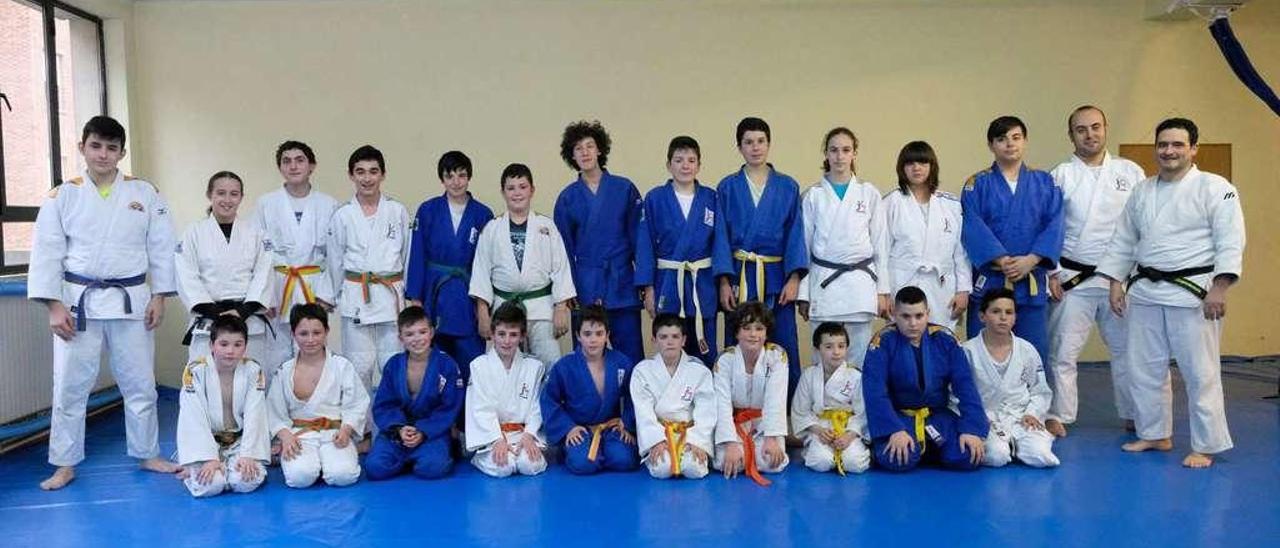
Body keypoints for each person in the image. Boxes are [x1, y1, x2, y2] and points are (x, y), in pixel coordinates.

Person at [28, 115, 181, 490]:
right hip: (77, 304)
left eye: (112, 148)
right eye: (96, 145)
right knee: (69, 386)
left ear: (122, 153)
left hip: (132, 302)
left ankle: (147, 453)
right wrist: (53, 305)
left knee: (140, 382)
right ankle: (64, 463)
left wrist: (160, 296)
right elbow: (47, 252)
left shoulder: (145, 193)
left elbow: (162, 248)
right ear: (82, 147)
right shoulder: (63, 195)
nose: (103, 154)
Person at [1098, 117, 1244, 469]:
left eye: (1178, 144)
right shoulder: (1143, 190)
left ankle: (1207, 444)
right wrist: (1115, 282)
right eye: (1163, 144)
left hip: (1193, 294)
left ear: (1194, 148)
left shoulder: (1215, 187)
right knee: (1144, 368)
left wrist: (1220, 287)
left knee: (1200, 371)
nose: (1169, 151)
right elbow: (1124, 239)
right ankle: (1154, 433)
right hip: (1146, 290)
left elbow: (1230, 239)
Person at [1044, 105, 1145, 437]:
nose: (1090, 134)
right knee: (1063, 351)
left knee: (1127, 351)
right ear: (1070, 135)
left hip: (1119, 278)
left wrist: (1133, 274)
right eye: (1081, 129)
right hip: (1072, 277)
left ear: (1106, 128)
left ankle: (1134, 412)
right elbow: (1048, 227)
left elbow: (1141, 225)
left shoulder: (1131, 172)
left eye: (1095, 127)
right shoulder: (1060, 175)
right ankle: (1059, 413)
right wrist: (1052, 272)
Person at [713, 117, 808, 392]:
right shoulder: (727, 187)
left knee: (783, 342)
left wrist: (794, 278)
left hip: (777, 276)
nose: (755, 148)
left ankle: (787, 415)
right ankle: (735, 413)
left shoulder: (787, 186)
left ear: (769, 144)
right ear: (739, 147)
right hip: (740, 275)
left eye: (761, 141)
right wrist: (723, 281)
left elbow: (795, 234)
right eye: (748, 142)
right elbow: (720, 236)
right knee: (738, 340)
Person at [962, 116, 1064, 364]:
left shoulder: (1045, 182)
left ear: (1025, 141)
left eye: (1016, 137)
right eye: (1001, 139)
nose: (1010, 144)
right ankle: (981, 403)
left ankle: (1033, 403)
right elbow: (972, 226)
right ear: (991, 145)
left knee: (1033, 352)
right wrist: (1001, 259)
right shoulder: (977, 184)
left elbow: (1056, 224)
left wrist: (1031, 259)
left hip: (1030, 280)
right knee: (982, 353)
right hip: (991, 280)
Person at [863, 286, 988, 471]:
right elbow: (874, 392)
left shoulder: (945, 340)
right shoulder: (883, 342)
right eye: (905, 316)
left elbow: (965, 386)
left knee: (968, 456)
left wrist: (971, 428)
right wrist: (893, 429)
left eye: (919, 316)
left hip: (937, 416)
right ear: (894, 314)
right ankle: (922, 447)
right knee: (898, 459)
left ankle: (929, 446)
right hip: (900, 417)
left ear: (927, 314)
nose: (913, 323)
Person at [554, 121, 645, 364]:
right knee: (588, 355)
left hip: (622, 282)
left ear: (600, 150)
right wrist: (567, 291)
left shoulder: (624, 188)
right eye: (578, 148)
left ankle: (633, 403)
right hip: (586, 284)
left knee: (630, 355)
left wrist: (646, 282)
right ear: (571, 156)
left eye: (589, 146)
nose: (584, 152)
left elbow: (640, 240)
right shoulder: (567, 198)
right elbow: (562, 251)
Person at [470, 163, 576, 369]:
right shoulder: (492, 228)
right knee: (500, 367)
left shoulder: (547, 227)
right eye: (511, 188)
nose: (517, 193)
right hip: (503, 309)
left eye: (522, 187)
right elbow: (481, 272)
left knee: (549, 366)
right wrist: (483, 314)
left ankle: (547, 402)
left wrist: (561, 308)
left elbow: (560, 267)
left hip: (542, 309)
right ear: (503, 192)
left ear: (532, 190)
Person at [797, 127, 888, 368]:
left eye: (846, 150)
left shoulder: (869, 194)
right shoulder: (813, 196)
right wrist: (803, 293)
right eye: (833, 150)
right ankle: (825, 405)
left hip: (859, 283)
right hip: (824, 283)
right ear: (825, 154)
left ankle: (857, 405)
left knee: (859, 356)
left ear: (854, 154)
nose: (839, 156)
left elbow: (881, 245)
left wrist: (883, 291)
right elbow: (803, 248)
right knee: (823, 356)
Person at [327, 145, 411, 393]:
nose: (367, 178)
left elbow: (407, 256)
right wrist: (335, 295)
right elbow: (335, 261)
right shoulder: (342, 215)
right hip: (356, 296)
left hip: (390, 296)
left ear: (383, 175)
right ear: (351, 175)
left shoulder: (397, 211)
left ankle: (392, 424)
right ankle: (359, 427)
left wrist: (406, 292)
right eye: (360, 171)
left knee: (393, 363)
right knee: (358, 365)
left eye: (373, 171)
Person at [253, 141, 340, 379]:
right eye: (286, 161)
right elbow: (258, 253)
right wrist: (264, 296)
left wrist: (327, 295)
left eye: (300, 160)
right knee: (276, 354)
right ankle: (278, 412)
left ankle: (312, 410)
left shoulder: (329, 204)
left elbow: (335, 255)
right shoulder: (265, 204)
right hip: (278, 284)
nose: (293, 166)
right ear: (280, 167)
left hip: (313, 284)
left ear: (311, 166)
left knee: (313, 347)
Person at [405, 151, 494, 374]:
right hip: (435, 295)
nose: (456, 182)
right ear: (442, 179)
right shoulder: (427, 210)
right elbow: (417, 255)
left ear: (469, 177)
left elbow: (488, 265)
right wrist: (416, 299)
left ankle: (470, 410)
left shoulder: (483, 214)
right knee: (435, 365)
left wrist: (484, 308)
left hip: (468, 295)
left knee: (472, 365)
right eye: (450, 176)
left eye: (462, 175)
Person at [635, 135, 721, 364]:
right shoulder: (654, 198)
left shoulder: (711, 198)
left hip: (701, 281)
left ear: (699, 165)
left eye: (691, 160)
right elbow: (644, 245)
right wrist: (648, 289)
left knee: (704, 349)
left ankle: (704, 397)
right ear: (668, 165)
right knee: (670, 347)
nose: (685, 166)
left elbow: (720, 243)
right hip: (668, 281)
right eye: (679, 160)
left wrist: (722, 281)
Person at [175, 171, 273, 366]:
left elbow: (264, 274)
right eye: (221, 193)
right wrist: (215, 312)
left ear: (241, 197)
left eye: (234, 194)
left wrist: (243, 311)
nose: (227, 200)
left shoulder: (256, 234)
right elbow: (186, 276)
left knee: (251, 381)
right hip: (209, 320)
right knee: (203, 379)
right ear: (209, 195)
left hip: (248, 321)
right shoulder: (193, 233)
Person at [267, 304, 368, 488]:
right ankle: (315, 464)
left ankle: (328, 462)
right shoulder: (284, 371)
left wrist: (346, 430)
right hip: (299, 435)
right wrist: (285, 437)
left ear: (327, 332)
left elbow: (357, 403)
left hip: (335, 433)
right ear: (293, 334)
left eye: (317, 332)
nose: (310, 339)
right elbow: (274, 411)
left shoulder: (341, 366)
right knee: (299, 478)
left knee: (343, 476)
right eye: (303, 334)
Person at [174, 316, 270, 497]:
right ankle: (197, 465)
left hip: (240, 441)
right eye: (223, 344)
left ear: (245, 346)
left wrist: (248, 454)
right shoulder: (195, 371)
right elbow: (193, 417)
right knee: (212, 486)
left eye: (237, 344)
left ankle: (228, 466)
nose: (230, 351)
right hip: (206, 441)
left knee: (244, 481)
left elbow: (255, 413)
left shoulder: (253, 370)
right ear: (211, 345)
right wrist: (209, 457)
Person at [962, 289, 1059, 468]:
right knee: (997, 456)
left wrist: (1032, 413)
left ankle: (1017, 445)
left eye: (1009, 312)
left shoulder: (1027, 350)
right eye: (996, 311)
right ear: (982, 316)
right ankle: (1007, 447)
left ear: (1015, 317)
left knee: (1042, 457)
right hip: (986, 419)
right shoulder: (967, 351)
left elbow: (1040, 390)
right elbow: (956, 395)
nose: (1003, 318)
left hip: (1021, 417)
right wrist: (975, 418)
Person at [365, 306, 464, 480]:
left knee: (433, 468)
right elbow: (383, 405)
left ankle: (425, 455)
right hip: (398, 433)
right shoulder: (394, 365)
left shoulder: (446, 365)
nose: (417, 339)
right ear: (400, 338)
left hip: (431, 432)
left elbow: (450, 407)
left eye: (422, 332)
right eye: (410, 334)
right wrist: (400, 429)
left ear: (432, 333)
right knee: (374, 467)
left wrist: (423, 431)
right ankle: (408, 456)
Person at [539, 305, 640, 475]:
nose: (593, 340)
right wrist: (567, 428)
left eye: (599, 334)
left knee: (625, 460)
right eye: (587, 334)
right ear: (578, 336)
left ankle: (602, 449)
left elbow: (634, 396)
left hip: (609, 428)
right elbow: (549, 399)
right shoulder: (565, 366)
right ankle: (573, 450)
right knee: (583, 464)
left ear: (607, 335)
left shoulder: (621, 362)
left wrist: (627, 423)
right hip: (579, 429)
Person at [881, 141, 970, 330]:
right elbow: (881, 252)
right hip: (903, 281)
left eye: (922, 163)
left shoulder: (951, 204)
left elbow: (960, 253)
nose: (916, 168)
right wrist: (884, 292)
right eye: (910, 163)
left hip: (941, 286)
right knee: (903, 338)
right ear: (901, 168)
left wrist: (963, 290)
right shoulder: (890, 203)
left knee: (940, 338)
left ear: (932, 166)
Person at [465, 303, 548, 477]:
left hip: (523, 433)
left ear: (522, 336)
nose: (507, 341)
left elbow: (536, 406)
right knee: (504, 467)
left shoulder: (534, 367)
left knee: (529, 465)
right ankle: (481, 457)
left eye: (513, 335)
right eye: (501, 334)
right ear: (493, 334)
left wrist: (530, 434)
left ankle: (522, 447)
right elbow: (480, 408)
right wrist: (496, 439)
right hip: (492, 435)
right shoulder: (479, 367)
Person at [630, 314, 717, 479]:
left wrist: (698, 441)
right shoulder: (642, 371)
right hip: (660, 432)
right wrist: (655, 441)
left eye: (675, 336)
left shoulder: (699, 370)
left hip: (690, 433)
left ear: (684, 340)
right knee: (662, 469)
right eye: (663, 337)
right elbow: (644, 412)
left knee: (694, 470)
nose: (670, 342)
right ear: (654, 340)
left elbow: (706, 410)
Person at [712, 302, 790, 485]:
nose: (753, 334)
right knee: (724, 461)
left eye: (759, 328)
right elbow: (721, 404)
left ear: (766, 333)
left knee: (772, 462)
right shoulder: (725, 360)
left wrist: (771, 437)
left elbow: (776, 399)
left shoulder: (777, 356)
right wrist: (730, 443)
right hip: (734, 423)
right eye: (746, 328)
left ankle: (758, 447)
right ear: (737, 333)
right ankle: (737, 447)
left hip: (764, 422)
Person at [791, 322, 871, 475]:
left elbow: (862, 413)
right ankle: (816, 449)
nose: (836, 352)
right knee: (821, 462)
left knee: (854, 464)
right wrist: (819, 430)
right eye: (829, 347)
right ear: (817, 349)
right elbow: (801, 410)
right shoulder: (809, 375)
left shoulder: (855, 376)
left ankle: (853, 449)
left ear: (847, 348)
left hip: (848, 426)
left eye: (841, 346)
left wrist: (849, 435)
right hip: (820, 426)